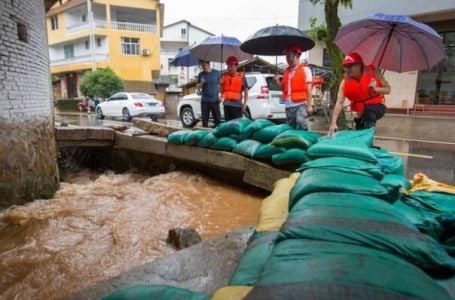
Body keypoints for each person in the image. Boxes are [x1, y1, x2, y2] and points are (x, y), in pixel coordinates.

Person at [329, 52, 391, 134]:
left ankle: (369, 136)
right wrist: (333, 123)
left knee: (369, 112)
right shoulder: (344, 82)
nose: (347, 69)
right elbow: (339, 102)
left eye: (350, 66)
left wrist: (376, 89)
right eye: (345, 66)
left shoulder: (374, 74)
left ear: (359, 66)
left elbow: (388, 89)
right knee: (359, 130)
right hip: (360, 113)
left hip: (377, 107)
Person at [274, 45, 313, 130]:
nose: (287, 59)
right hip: (288, 105)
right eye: (286, 56)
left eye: (289, 56)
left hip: (301, 104)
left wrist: (309, 106)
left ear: (297, 55)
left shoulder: (306, 70)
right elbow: (284, 88)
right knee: (290, 128)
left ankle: (305, 138)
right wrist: (277, 81)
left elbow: (309, 89)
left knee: (300, 121)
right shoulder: (286, 72)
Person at [219, 56, 249, 121]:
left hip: (237, 106)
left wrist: (245, 103)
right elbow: (222, 92)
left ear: (236, 66)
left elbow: (246, 91)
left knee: (236, 126)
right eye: (228, 66)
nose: (229, 68)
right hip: (226, 105)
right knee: (228, 126)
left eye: (231, 66)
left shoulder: (242, 77)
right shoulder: (224, 77)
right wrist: (220, 84)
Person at [196, 60, 221, 127]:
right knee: (205, 121)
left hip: (215, 100)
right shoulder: (201, 74)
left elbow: (220, 85)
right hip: (205, 101)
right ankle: (205, 135)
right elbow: (198, 87)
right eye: (202, 66)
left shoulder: (217, 73)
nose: (203, 67)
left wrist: (220, 96)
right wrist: (201, 83)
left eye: (204, 65)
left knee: (217, 120)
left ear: (209, 64)